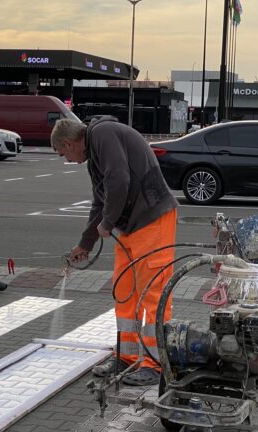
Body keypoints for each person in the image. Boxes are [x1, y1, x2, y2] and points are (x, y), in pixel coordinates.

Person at [51, 117, 178, 386]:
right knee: (124, 291)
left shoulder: (103, 133)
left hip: (152, 219)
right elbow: (101, 201)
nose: (67, 160)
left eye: (63, 154)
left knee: (153, 294)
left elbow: (119, 181)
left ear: (69, 143)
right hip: (131, 226)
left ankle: (155, 364)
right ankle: (127, 356)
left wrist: (107, 224)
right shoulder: (95, 153)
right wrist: (85, 244)